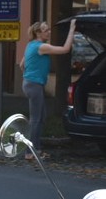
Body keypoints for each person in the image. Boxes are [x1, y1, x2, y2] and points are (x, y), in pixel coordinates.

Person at [18, 19, 76, 161]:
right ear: (38, 33)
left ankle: (35, 148)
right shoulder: (41, 47)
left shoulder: (30, 45)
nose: (49, 32)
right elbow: (65, 49)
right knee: (36, 119)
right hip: (34, 85)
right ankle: (30, 152)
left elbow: (21, 64)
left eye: (49, 29)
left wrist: (30, 75)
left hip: (30, 84)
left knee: (41, 117)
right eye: (46, 30)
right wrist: (72, 29)